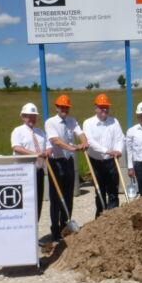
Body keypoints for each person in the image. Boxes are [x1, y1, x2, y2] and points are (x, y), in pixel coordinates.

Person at [44, 94, 88, 241]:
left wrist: (84, 142)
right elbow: (55, 141)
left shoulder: (72, 120)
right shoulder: (50, 122)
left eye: (66, 108)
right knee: (56, 197)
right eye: (62, 107)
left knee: (68, 196)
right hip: (56, 162)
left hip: (68, 161)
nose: (64, 110)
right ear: (57, 108)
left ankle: (66, 226)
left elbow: (80, 133)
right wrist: (72, 148)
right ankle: (55, 231)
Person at [82, 93, 125, 217]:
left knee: (113, 191)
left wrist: (118, 150)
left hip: (112, 161)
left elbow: (120, 138)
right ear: (96, 108)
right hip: (95, 162)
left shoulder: (114, 121)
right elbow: (90, 142)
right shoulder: (88, 123)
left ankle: (113, 217)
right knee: (99, 191)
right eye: (101, 107)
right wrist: (107, 150)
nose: (104, 110)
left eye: (106, 107)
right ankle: (100, 217)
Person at [10, 103, 52, 223]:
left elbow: (49, 146)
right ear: (23, 117)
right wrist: (35, 154)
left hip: (38, 172)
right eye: (28, 116)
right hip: (23, 173)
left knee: (38, 203)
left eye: (34, 116)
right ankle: (24, 233)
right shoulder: (17, 131)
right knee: (25, 204)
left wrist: (47, 152)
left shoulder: (40, 132)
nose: (31, 119)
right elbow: (16, 148)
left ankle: (35, 235)